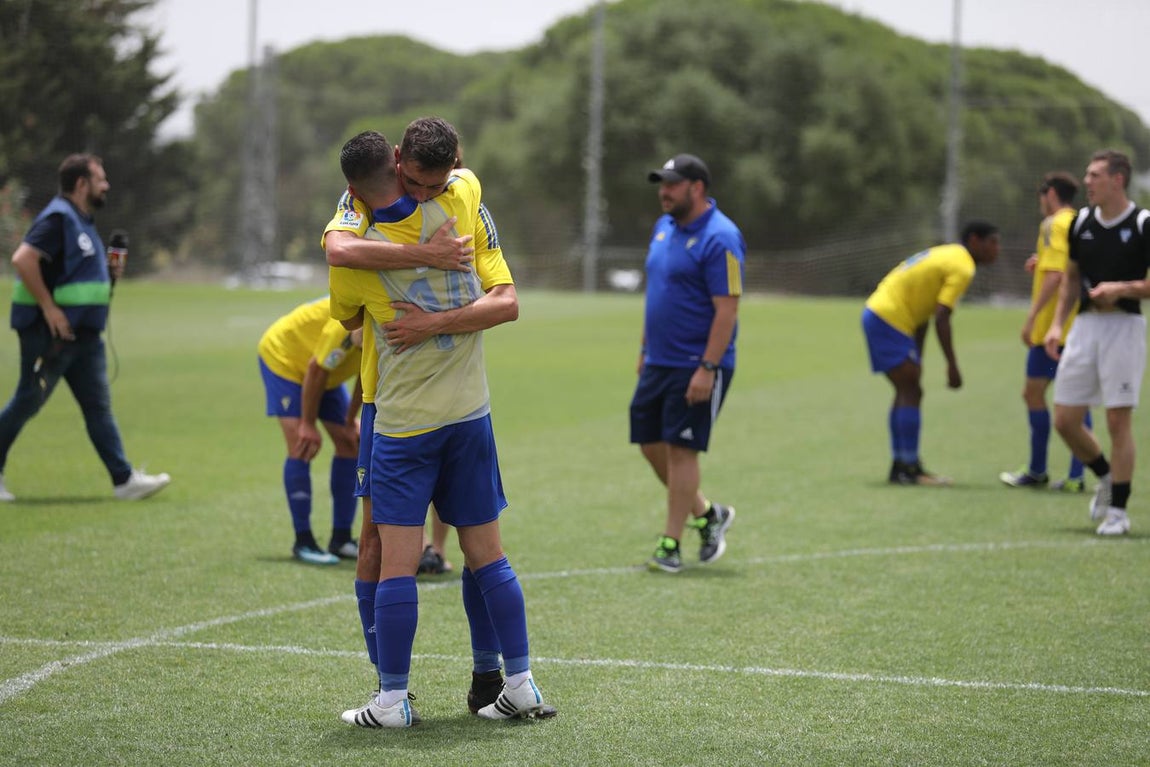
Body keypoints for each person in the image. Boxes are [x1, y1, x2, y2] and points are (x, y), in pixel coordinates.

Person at [326, 122, 550, 726]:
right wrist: (430, 257)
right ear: (398, 164)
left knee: (395, 557)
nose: (426, 194)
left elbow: (343, 298)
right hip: (469, 412)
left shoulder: (362, 233)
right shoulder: (467, 194)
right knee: (487, 555)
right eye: (415, 185)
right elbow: (498, 297)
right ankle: (519, 683)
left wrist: (425, 320)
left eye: (435, 184)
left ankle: (393, 697)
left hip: (401, 420)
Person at [0, 153, 169, 502]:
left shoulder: (82, 220)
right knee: (28, 400)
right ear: (82, 184)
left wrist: (109, 272)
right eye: (100, 179)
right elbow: (23, 260)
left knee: (98, 407)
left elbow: (76, 275)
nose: (106, 185)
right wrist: (49, 308)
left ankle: (124, 480)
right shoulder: (58, 217)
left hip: (84, 337)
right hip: (52, 335)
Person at [633, 153, 744, 574]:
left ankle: (670, 544)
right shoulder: (663, 228)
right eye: (662, 183)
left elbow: (727, 310)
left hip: (697, 364)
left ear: (697, 188)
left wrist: (708, 367)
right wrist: (644, 348)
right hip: (658, 359)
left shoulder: (722, 237)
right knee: (649, 443)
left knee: (682, 450)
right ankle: (708, 514)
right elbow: (657, 294)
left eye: (672, 184)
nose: (664, 191)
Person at [1044, 149, 1150, 536]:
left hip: (1124, 328)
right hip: (1085, 329)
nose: (1086, 182)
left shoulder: (1142, 223)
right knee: (1065, 419)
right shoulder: (1081, 223)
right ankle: (1105, 477)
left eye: (1094, 175)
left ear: (1117, 179)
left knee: (1116, 420)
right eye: (1086, 175)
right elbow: (1071, 278)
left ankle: (1119, 511)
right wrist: (1057, 325)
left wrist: (1122, 288)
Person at [861, 221, 1001, 485]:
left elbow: (924, 311)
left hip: (881, 313)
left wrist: (918, 357)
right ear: (974, 240)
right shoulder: (963, 267)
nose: (997, 249)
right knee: (910, 391)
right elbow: (942, 317)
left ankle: (902, 465)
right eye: (992, 242)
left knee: (908, 389)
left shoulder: (948, 253)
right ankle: (908, 468)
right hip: (889, 317)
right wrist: (952, 365)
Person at [999, 172, 1093, 492]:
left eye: (1042, 194)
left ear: (1050, 193)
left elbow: (1055, 276)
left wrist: (1031, 317)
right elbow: (1072, 265)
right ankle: (1074, 474)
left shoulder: (1053, 224)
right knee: (1072, 398)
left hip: (1054, 331)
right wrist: (1041, 262)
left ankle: (1045, 471)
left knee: (1039, 394)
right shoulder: (1080, 221)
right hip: (1078, 326)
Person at [257, 297, 363, 564]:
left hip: (325, 370)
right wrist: (307, 424)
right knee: (302, 445)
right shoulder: (345, 325)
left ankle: (340, 539)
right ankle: (303, 541)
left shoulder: (384, 326)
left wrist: (350, 421)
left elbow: (368, 374)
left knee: (350, 443)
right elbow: (316, 368)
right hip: (287, 360)